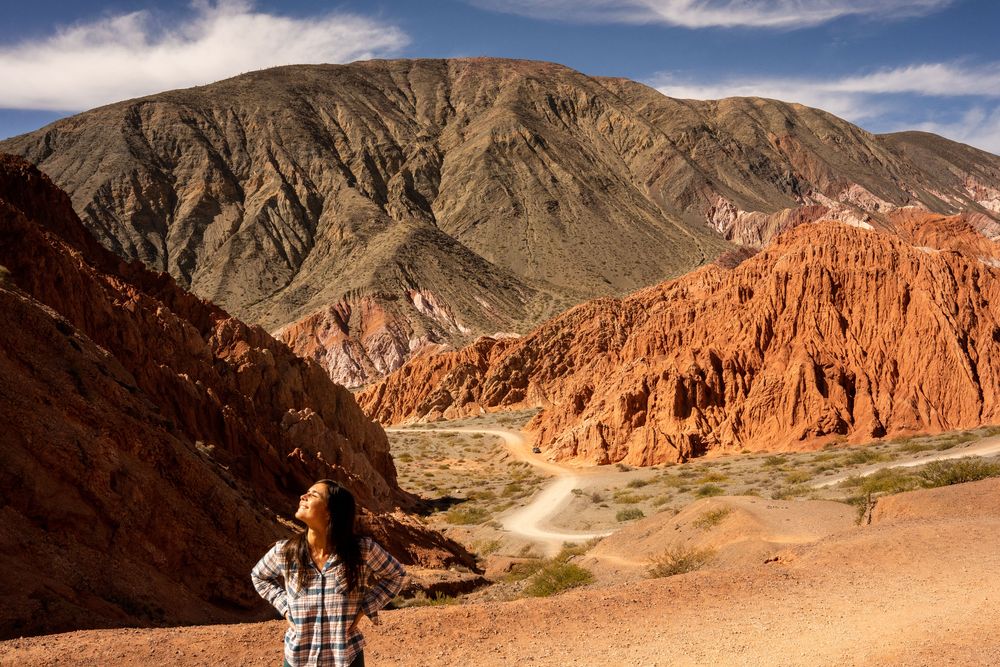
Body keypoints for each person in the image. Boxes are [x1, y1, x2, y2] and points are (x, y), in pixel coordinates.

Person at [252, 479, 407, 667]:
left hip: (345, 657)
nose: (303, 496)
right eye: (306, 492)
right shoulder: (285, 551)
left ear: (330, 512)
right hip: (299, 658)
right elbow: (259, 576)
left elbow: (397, 575)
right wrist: (285, 607)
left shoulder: (362, 550)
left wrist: (365, 608)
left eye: (313, 494)